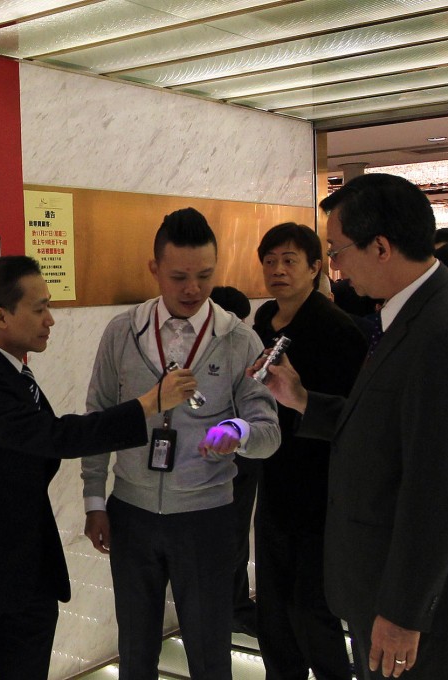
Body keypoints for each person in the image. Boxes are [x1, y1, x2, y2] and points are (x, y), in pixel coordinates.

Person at [0, 255, 197, 680]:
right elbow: (56, 438)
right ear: (1, 316)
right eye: (40, 308)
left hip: (28, 571)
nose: (51, 320)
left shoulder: (16, 374)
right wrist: (149, 403)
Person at [259, 173, 448, 679]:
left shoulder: (442, 332)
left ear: (380, 247)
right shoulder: (407, 314)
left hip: (422, 607)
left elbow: (439, 488)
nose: (334, 270)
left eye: (336, 253)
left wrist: (404, 612)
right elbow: (386, 427)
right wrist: (300, 399)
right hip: (381, 586)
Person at [81, 208, 281, 680]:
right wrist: (94, 500)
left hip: (208, 518)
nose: (193, 289)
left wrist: (237, 434)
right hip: (130, 512)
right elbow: (98, 419)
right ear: (154, 270)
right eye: (179, 277)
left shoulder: (237, 339)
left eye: (205, 276)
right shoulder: (122, 334)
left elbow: (268, 431)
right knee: (135, 650)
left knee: (211, 653)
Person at [252, 222, 366, 680]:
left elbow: (353, 419)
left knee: (312, 608)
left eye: (289, 260)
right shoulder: (263, 319)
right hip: (275, 474)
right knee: (273, 609)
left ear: (316, 267)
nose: (278, 270)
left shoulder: (338, 328)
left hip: (322, 485)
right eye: (270, 261)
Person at [210, 284, 260, 636]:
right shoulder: (233, 349)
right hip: (234, 458)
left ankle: (230, 606)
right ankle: (232, 608)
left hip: (231, 455)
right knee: (233, 536)